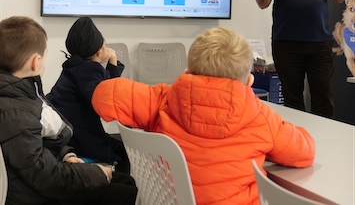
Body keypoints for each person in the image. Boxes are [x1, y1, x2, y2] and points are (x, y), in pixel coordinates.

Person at [92, 27, 315, 205]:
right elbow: (304, 152)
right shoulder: (261, 117)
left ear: (187, 73)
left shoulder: (163, 100)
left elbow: (103, 94)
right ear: (248, 82)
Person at [0, 16, 137, 205]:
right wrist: (98, 174)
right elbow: (46, 177)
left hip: (42, 174)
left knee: (123, 182)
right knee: (125, 187)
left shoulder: (20, 98)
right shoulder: (17, 112)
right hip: (35, 193)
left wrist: (66, 154)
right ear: (36, 62)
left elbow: (35, 143)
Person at [254, 0, 355, 118]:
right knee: (292, 100)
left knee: (323, 98)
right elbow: (262, 4)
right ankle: (295, 144)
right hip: (286, 44)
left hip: (319, 44)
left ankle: (322, 142)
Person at [47, 16, 129, 172]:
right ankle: (121, 185)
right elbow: (106, 100)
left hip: (64, 134)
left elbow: (104, 89)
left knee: (117, 146)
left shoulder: (73, 66)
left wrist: (111, 64)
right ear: (99, 52)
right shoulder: (89, 69)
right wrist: (112, 63)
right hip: (80, 139)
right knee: (123, 153)